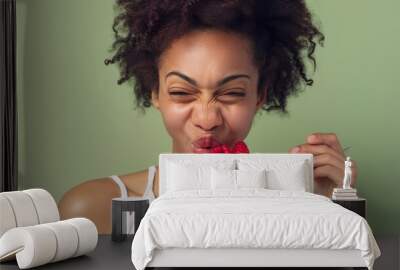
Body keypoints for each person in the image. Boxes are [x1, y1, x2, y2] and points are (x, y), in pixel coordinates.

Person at [58, 0, 357, 234]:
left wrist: (330, 205)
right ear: (154, 92)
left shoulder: (296, 205)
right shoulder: (92, 208)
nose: (207, 118)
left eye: (232, 93)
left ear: (260, 95)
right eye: (181, 92)